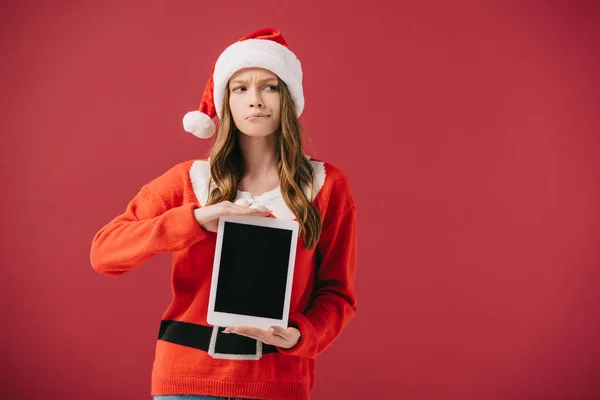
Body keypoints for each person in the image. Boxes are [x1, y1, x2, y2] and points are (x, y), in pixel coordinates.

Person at [90, 28, 357, 400]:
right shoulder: (189, 180)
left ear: (288, 97)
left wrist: (301, 334)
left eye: (270, 87)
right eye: (240, 88)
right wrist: (195, 220)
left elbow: (337, 294)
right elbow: (105, 253)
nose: (256, 101)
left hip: (278, 382)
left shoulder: (326, 185)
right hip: (185, 382)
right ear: (226, 102)